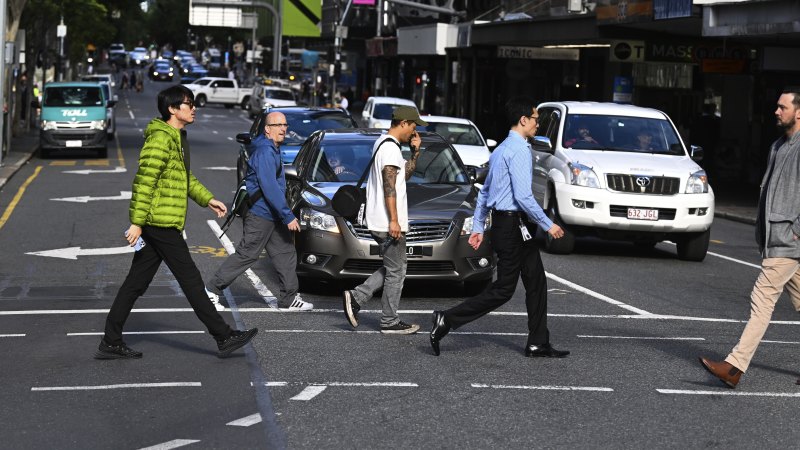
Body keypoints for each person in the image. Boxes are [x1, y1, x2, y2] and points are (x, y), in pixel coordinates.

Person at [95, 85, 258, 360]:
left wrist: (207, 199)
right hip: (160, 222)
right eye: (188, 103)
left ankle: (110, 340)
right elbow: (144, 181)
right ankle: (224, 335)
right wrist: (136, 222)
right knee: (192, 280)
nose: (193, 108)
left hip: (162, 221)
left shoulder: (176, 137)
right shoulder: (161, 139)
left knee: (135, 282)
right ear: (173, 109)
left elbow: (184, 178)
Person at [429, 96, 569, 358]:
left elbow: (484, 194)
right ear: (523, 120)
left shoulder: (502, 149)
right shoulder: (518, 150)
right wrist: (548, 224)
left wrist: (479, 228)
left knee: (536, 280)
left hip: (513, 225)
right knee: (504, 289)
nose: (538, 124)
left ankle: (538, 342)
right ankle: (446, 319)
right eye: (536, 119)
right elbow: (524, 196)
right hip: (511, 225)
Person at [699, 87, 800, 388]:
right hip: (777, 237)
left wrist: (796, 230)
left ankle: (735, 365)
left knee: (762, 299)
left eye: (783, 107)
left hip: (788, 240)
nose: (776, 111)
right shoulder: (779, 145)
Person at [205, 111, 313, 312]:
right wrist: (287, 215)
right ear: (267, 129)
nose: (283, 128)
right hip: (261, 214)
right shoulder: (265, 151)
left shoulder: (271, 148)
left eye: (285, 125)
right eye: (278, 125)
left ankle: (288, 299)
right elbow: (269, 186)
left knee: (285, 252)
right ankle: (211, 290)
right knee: (247, 254)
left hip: (271, 214)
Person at [341, 106, 427, 334]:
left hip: (380, 219)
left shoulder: (384, 144)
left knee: (394, 266)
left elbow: (401, 177)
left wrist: (415, 152)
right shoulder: (389, 149)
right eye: (414, 126)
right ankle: (388, 320)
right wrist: (394, 221)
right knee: (397, 270)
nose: (414, 131)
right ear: (404, 123)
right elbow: (390, 187)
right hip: (385, 221)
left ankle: (357, 297)